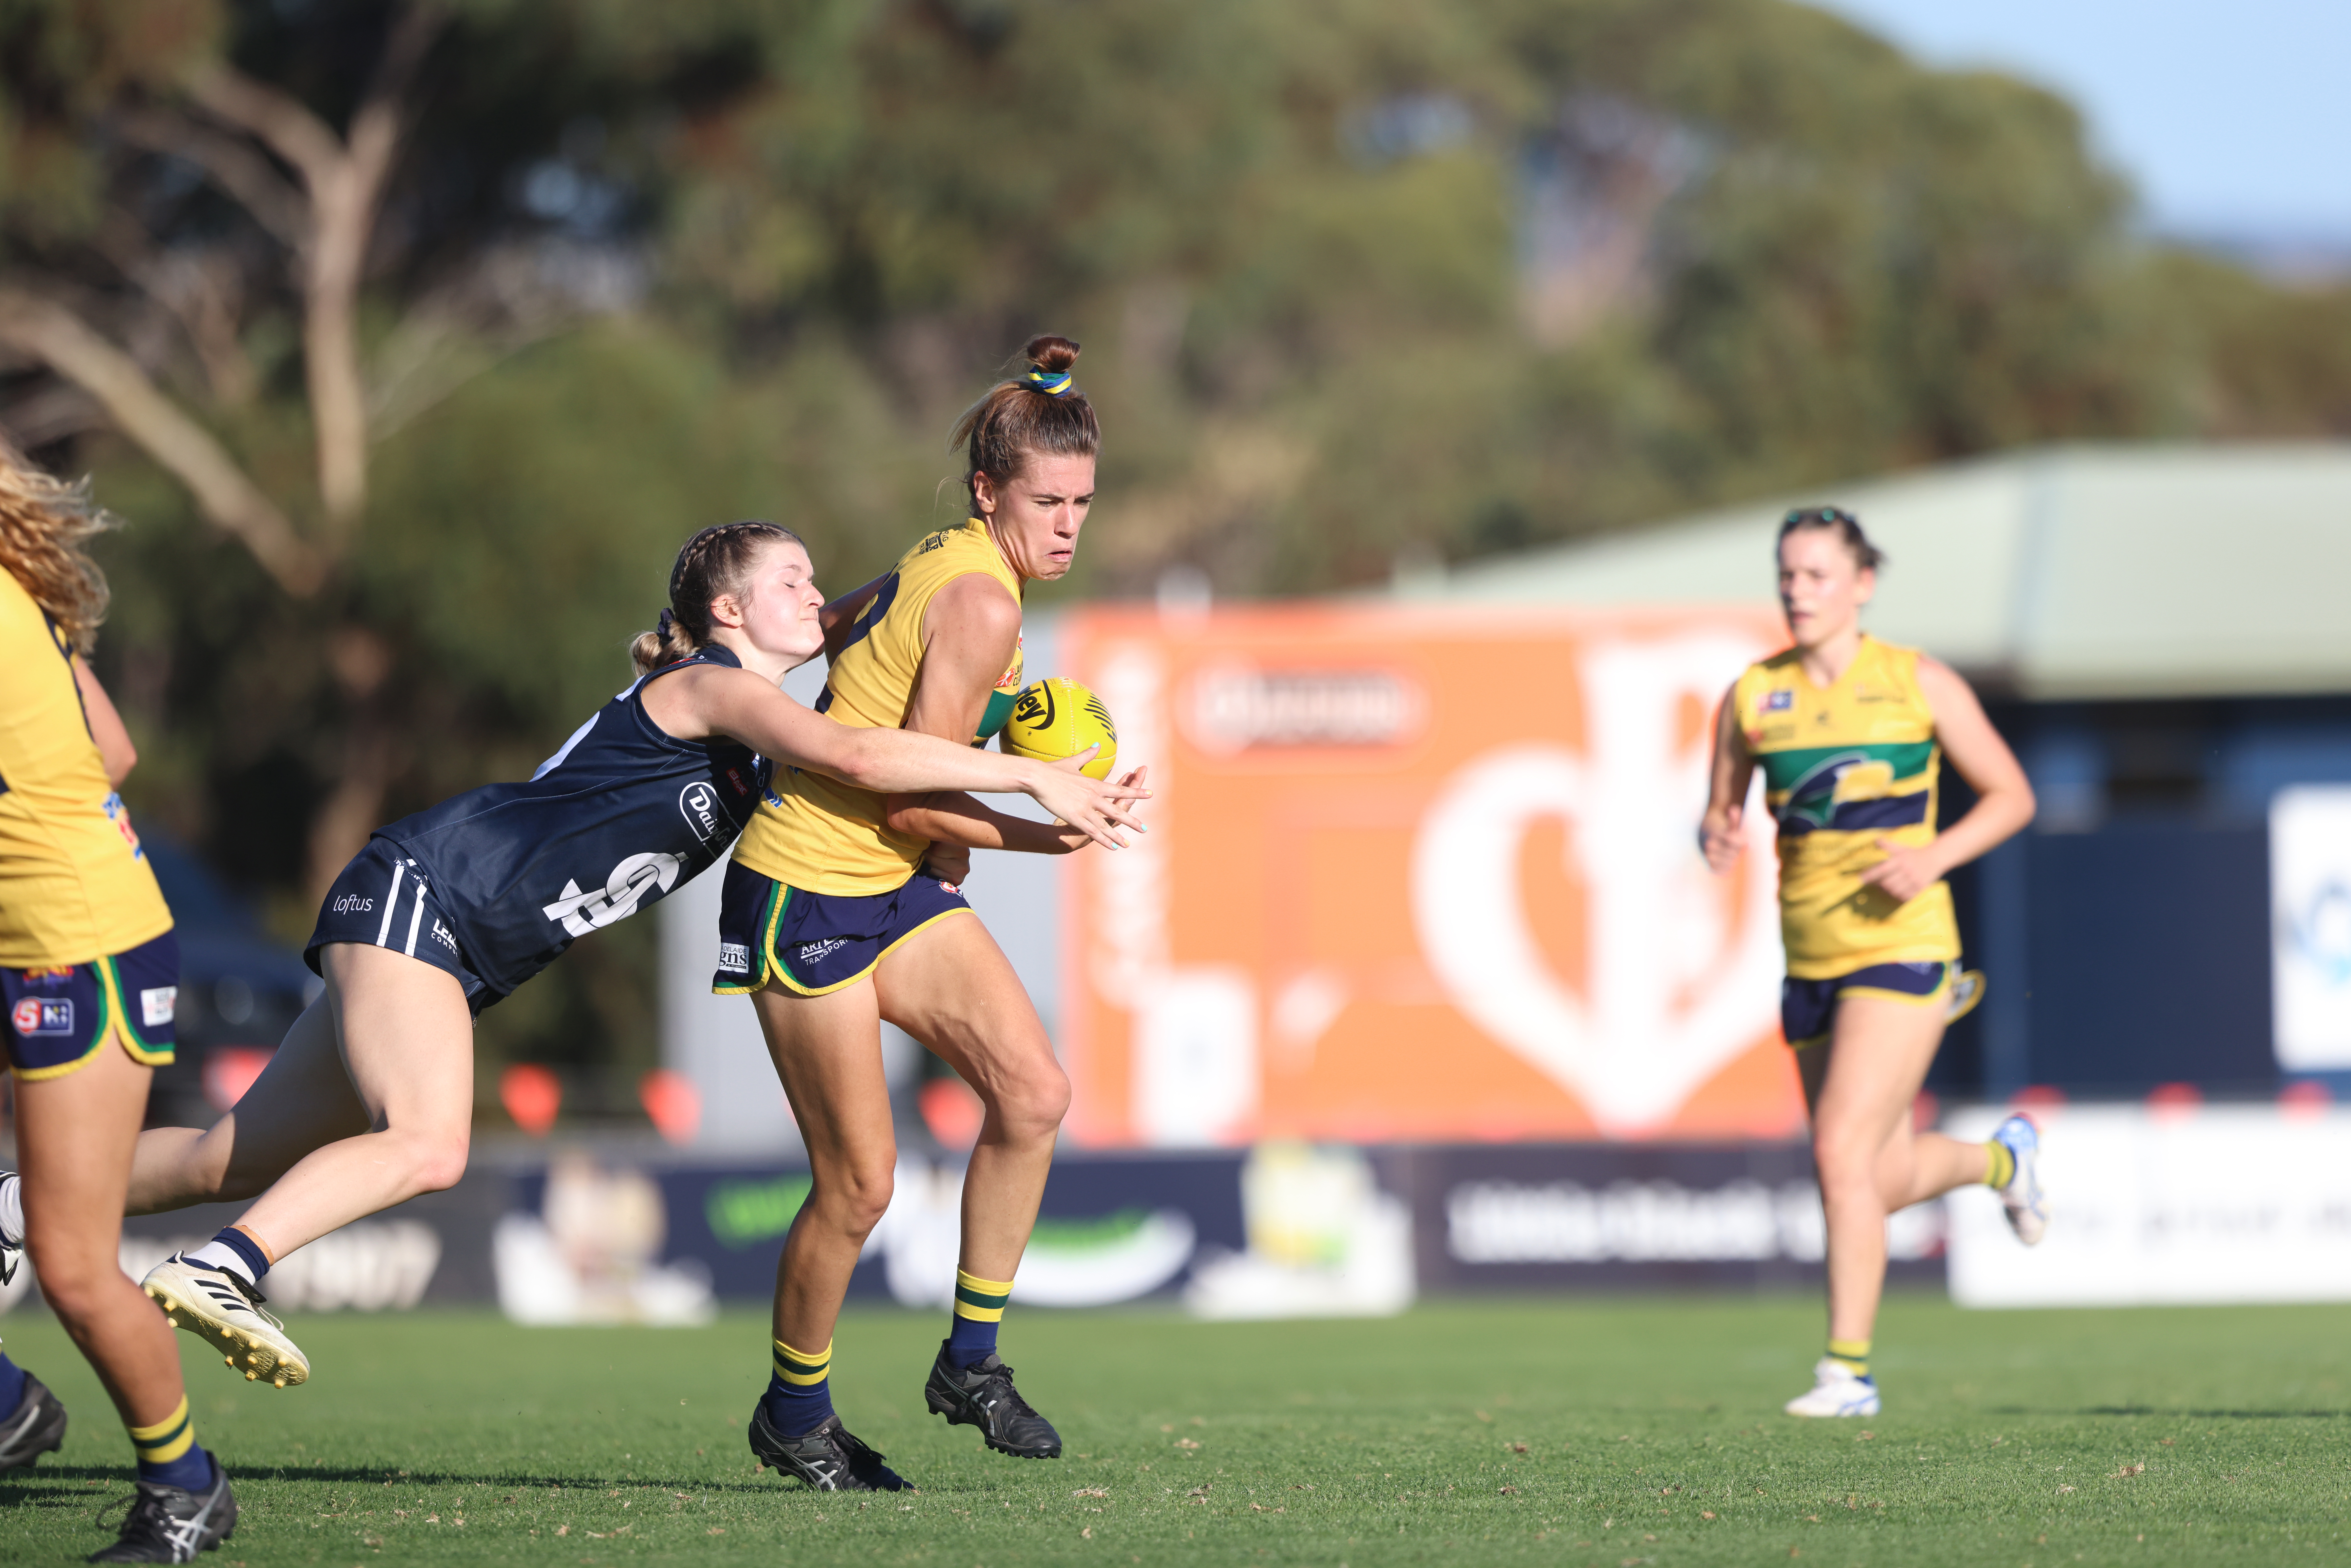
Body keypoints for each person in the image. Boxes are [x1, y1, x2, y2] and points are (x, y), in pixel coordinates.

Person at [113, 520, 1145, 1393]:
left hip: (453, 942)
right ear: (730, 613)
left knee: (228, 1156)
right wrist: (1028, 781)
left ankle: (18, 1205)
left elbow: (879, 608)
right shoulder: (713, 690)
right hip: (424, 897)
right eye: (790, 578)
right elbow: (862, 756)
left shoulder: (746, 702)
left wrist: (971, 577)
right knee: (430, 1145)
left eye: (814, 579)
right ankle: (226, 1267)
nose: (815, 592)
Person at [721, 335, 1133, 1492]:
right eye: (1046, 502)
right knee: (859, 1184)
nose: (1066, 526)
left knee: (1034, 1092)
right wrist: (1049, 825)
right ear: (987, 494)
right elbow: (917, 809)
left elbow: (862, 616)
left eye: (1083, 503)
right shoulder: (983, 604)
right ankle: (793, 1413)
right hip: (805, 884)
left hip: (879, 882)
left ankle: (970, 1361)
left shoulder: (951, 555)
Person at [1700, 506, 2046, 1420]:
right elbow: (1724, 800)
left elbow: (2013, 795)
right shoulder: (1752, 697)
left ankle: (1847, 1374)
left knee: (1838, 1155)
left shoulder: (1917, 682)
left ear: (1863, 584)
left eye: (1816, 575)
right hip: (1809, 958)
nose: (1797, 591)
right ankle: (2003, 1163)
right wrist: (1717, 827)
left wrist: (1932, 858)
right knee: (1873, 1178)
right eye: (1787, 575)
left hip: (1905, 948)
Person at [0, 451, 237, 1559]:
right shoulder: (23, 595)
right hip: (60, 918)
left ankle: (185, 1487)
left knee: (76, 1266)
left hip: (76, 946)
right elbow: (117, 749)